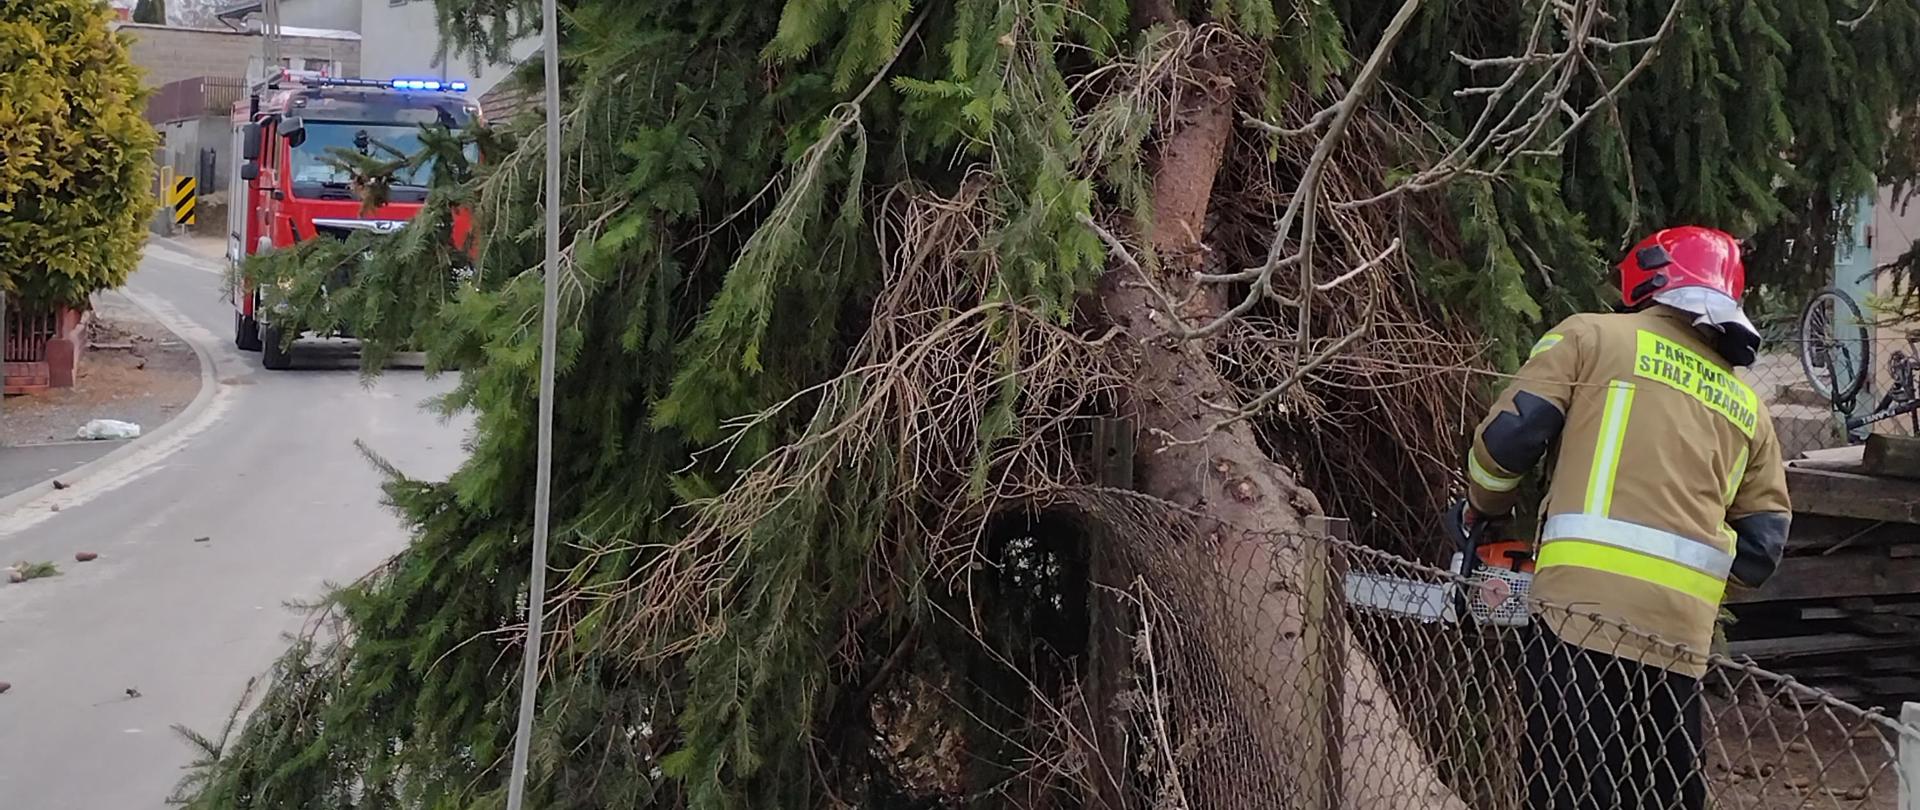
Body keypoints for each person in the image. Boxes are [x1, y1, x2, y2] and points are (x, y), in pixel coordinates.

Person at [1453, 225, 1792, 810]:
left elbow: (1510, 440)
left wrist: (1482, 510)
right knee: (1662, 793)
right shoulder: (1749, 408)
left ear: (1653, 276)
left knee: (1568, 789)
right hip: (1678, 640)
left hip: (1576, 620)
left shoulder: (1591, 337)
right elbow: (1762, 549)